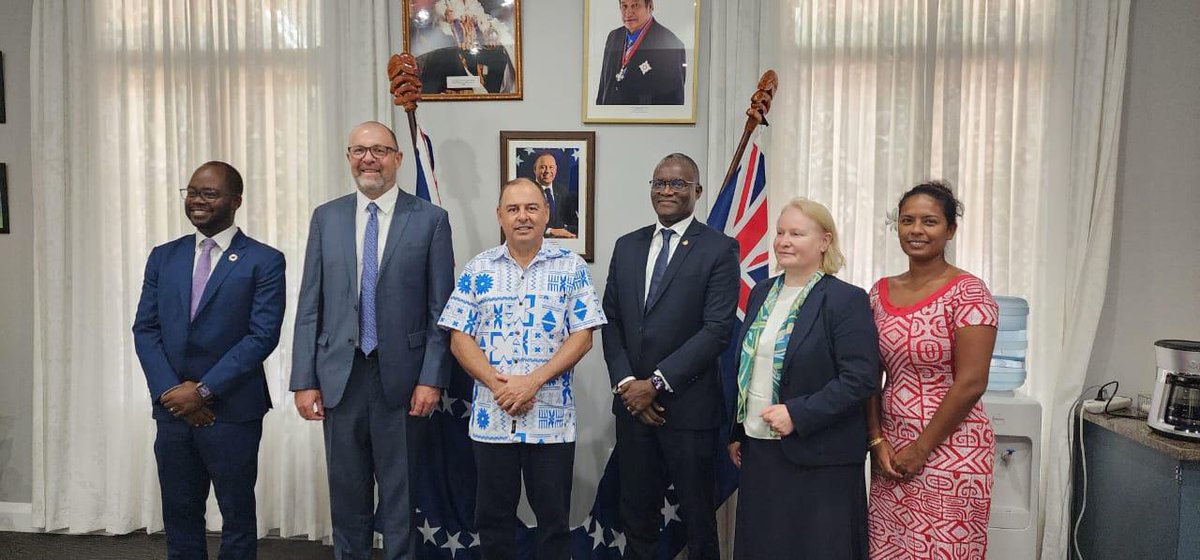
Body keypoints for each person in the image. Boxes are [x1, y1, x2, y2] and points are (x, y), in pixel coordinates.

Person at [290, 121, 454, 560]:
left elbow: (442, 311)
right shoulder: (327, 217)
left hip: (401, 381)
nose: (369, 158)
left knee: (400, 501)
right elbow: (310, 305)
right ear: (348, 158)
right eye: (360, 150)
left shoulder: (431, 220)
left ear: (398, 159)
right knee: (347, 498)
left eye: (380, 150)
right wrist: (304, 380)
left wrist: (431, 379)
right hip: (338, 378)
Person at [439, 178, 606, 560]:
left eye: (531, 208)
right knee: (493, 520)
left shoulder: (571, 268)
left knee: (553, 522)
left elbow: (583, 336)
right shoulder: (477, 268)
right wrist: (501, 386)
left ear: (546, 213)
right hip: (492, 419)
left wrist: (531, 382)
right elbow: (458, 336)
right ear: (500, 216)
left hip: (551, 419)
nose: (523, 217)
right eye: (513, 209)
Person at [133, 161, 286, 559]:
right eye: (192, 192)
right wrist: (172, 393)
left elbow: (261, 336)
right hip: (173, 411)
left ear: (235, 201)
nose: (198, 200)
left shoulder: (264, 260)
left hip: (233, 410)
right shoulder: (163, 257)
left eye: (209, 193)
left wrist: (202, 391)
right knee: (180, 512)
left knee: (237, 514)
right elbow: (145, 330)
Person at [602, 153, 739, 560]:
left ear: (696, 192)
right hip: (632, 408)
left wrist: (656, 384)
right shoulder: (627, 246)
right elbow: (610, 321)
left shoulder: (719, 249)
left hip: (689, 410)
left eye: (678, 184)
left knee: (698, 521)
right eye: (659, 182)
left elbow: (717, 331)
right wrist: (629, 385)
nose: (666, 190)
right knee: (636, 516)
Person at [726, 198, 878, 559]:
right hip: (760, 449)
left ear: (824, 241)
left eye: (797, 233)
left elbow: (860, 377)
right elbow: (751, 368)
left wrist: (798, 413)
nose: (784, 241)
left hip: (821, 458)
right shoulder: (763, 292)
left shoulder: (845, 299)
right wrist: (737, 432)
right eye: (780, 233)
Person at [866, 181, 998, 559]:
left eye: (930, 221)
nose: (916, 230)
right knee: (888, 550)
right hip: (891, 452)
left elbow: (972, 382)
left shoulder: (969, 292)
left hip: (952, 450)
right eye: (907, 221)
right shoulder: (879, 292)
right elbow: (869, 376)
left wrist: (921, 449)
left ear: (950, 230)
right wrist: (877, 442)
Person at [595, 0, 686, 106]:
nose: (628, 13)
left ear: (650, 6)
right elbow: (603, 88)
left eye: (635, 5)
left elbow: (674, 103)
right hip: (611, 120)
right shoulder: (613, 37)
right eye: (624, 6)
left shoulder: (670, 44)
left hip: (644, 121)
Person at [531, 151, 578, 239]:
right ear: (535, 169)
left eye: (551, 167)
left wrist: (565, 229)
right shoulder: (527, 191)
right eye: (542, 167)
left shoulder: (563, 192)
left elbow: (574, 223)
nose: (547, 171)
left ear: (556, 169)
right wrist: (550, 231)